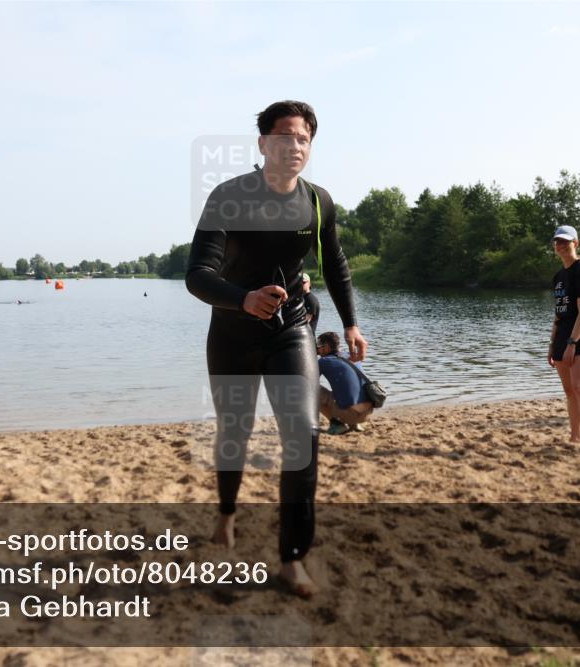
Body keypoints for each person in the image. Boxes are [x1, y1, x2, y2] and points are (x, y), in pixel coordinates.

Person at [186, 100, 366, 598]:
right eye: (285, 136)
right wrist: (243, 299)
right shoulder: (229, 197)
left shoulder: (317, 201)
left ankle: (292, 560)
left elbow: (337, 266)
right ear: (264, 143)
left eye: (304, 138)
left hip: (291, 330)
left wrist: (350, 323)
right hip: (233, 333)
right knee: (235, 434)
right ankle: (226, 512)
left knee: (303, 439)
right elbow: (196, 275)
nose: (295, 146)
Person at [547, 225, 580, 456]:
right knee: (569, 390)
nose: (560, 246)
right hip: (563, 334)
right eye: (557, 242)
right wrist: (552, 344)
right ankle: (575, 436)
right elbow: (559, 314)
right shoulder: (559, 276)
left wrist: (571, 343)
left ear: (575, 243)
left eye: (565, 242)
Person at [316, 332, 373, 434]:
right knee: (345, 388)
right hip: (368, 412)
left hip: (350, 414)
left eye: (319, 346)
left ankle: (337, 424)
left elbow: (310, 380)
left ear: (327, 347)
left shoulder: (323, 361)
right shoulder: (351, 356)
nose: (317, 349)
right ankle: (355, 424)